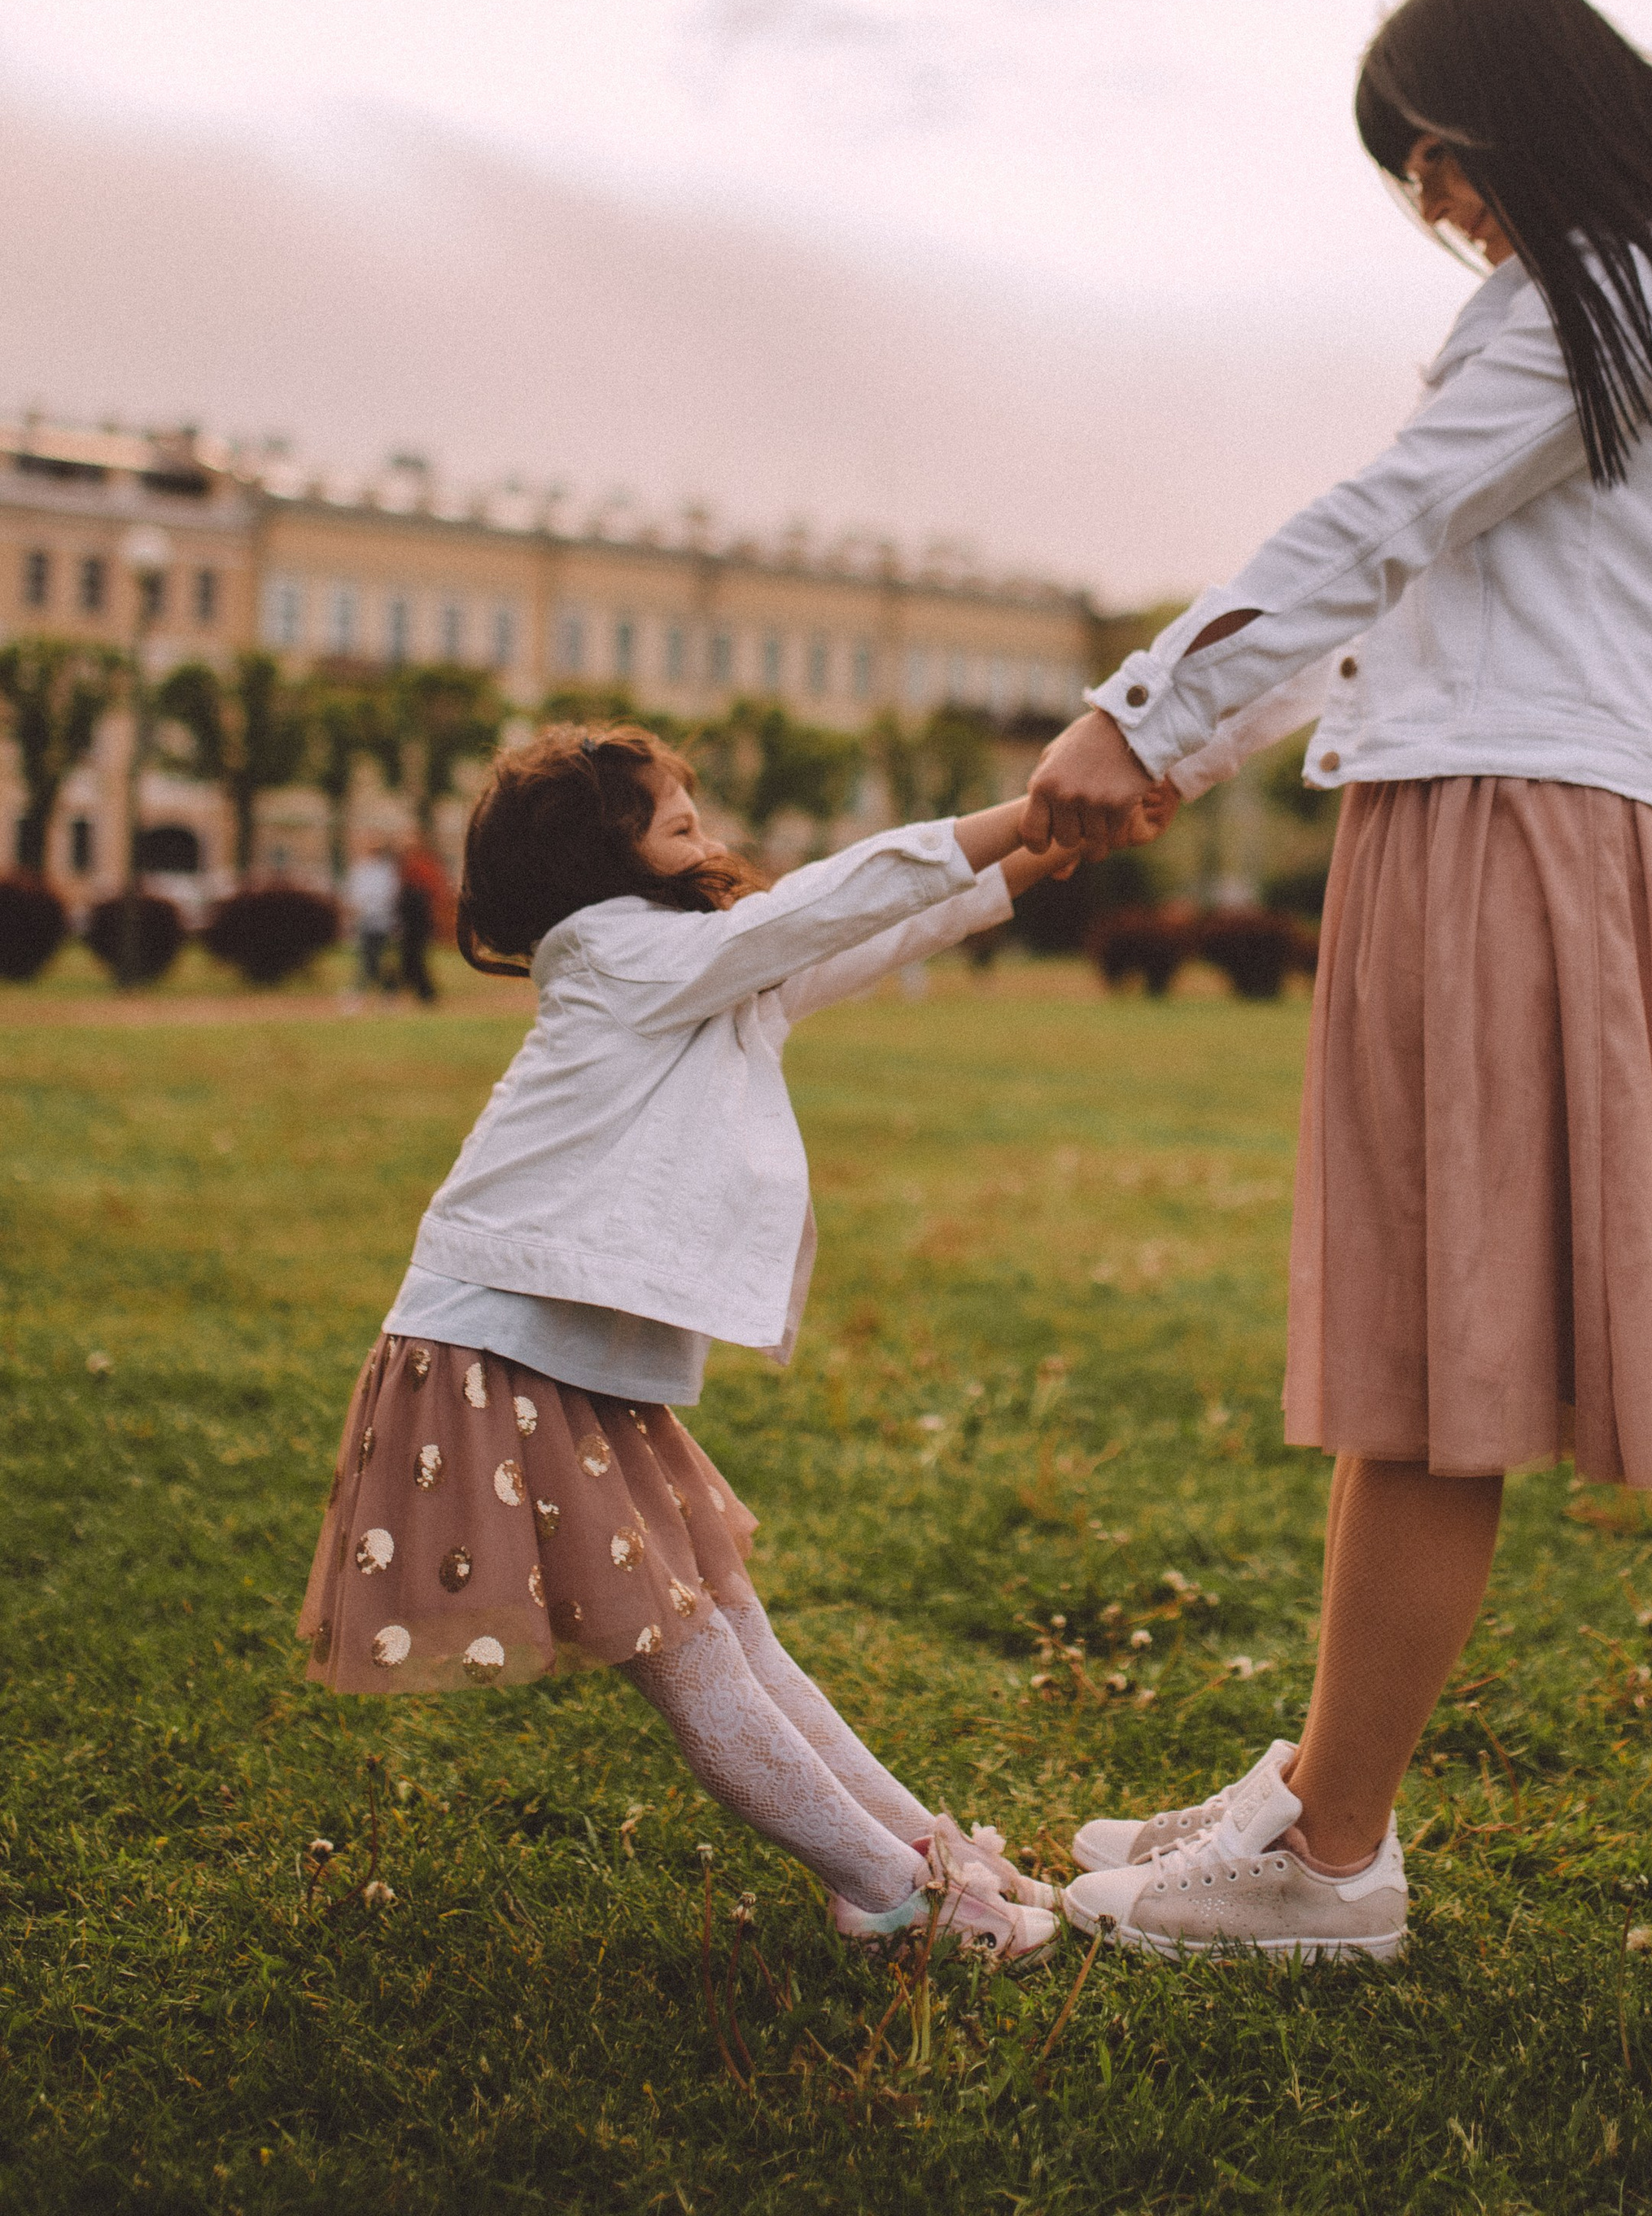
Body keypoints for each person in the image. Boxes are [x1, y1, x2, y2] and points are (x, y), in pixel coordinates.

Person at [1022, 0, 1652, 1963]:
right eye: (1410, 175)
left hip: (1514, 828)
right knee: (1411, 1351)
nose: (1432, 200)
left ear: (1514, 111)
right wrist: (1185, 746)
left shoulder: (1623, 290)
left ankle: (1330, 1854)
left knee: (1440, 1365)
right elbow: (1421, 574)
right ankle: (1314, 1787)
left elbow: (1378, 519)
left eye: (1434, 153)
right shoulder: (1618, 295)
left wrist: (1136, 712)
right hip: (1478, 813)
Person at [299, 723, 1128, 1961]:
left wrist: (1031, 860)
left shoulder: (684, 967)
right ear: (598, 858)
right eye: (676, 820)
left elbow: (855, 937)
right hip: (500, 1352)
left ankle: (921, 1855)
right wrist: (1015, 818)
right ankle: (893, 1900)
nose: (708, 832)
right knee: (692, 1655)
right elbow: (824, 905)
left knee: (733, 1628)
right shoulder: (623, 955)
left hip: (560, 1355)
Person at [343, 841, 400, 993]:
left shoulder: (387, 871)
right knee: (367, 954)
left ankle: (385, 987)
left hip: (382, 919)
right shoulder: (361, 870)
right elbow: (354, 895)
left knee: (379, 955)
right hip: (366, 917)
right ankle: (370, 985)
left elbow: (391, 894)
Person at [393, 838, 443, 1007]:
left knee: (413, 957)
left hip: (415, 921)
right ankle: (421, 991)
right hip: (416, 920)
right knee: (413, 958)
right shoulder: (418, 866)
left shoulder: (417, 868)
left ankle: (423, 992)